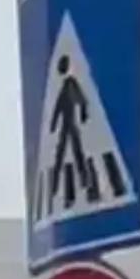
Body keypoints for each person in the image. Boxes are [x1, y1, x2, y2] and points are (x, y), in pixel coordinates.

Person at [49, 55, 91, 212]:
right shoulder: (66, 85)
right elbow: (59, 106)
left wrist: (83, 114)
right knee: (64, 154)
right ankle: (56, 186)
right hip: (67, 125)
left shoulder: (71, 83)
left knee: (74, 153)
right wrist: (53, 124)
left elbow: (82, 100)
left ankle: (84, 180)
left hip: (71, 125)